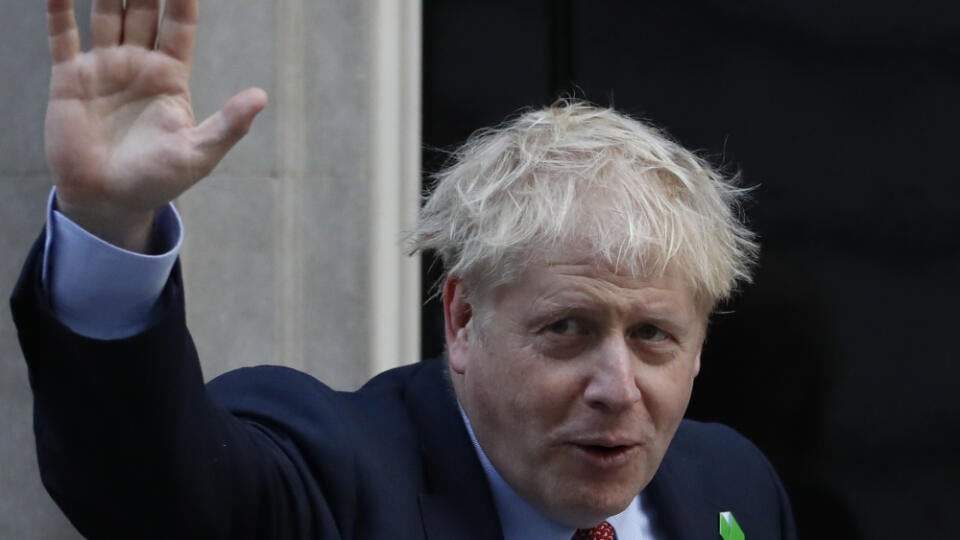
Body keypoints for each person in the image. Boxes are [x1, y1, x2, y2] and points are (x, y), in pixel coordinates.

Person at [12, 1, 797, 538]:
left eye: (655, 334)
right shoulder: (333, 477)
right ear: (461, 319)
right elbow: (152, 489)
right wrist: (110, 223)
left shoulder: (732, 486)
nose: (617, 387)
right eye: (567, 328)